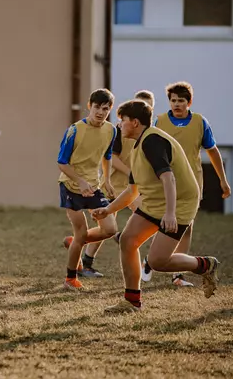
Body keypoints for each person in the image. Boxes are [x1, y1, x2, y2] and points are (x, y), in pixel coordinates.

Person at [92, 99, 220, 313]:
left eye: (121, 120)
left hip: (179, 204)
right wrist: (108, 210)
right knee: (128, 240)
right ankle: (132, 302)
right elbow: (132, 190)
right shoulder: (138, 146)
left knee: (158, 261)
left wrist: (170, 214)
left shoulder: (153, 140)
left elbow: (168, 178)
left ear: (134, 122)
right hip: (157, 201)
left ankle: (206, 265)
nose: (119, 124)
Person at [143, 81, 231, 287]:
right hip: (164, 182)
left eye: (181, 100)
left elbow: (213, 152)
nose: (176, 104)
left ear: (189, 102)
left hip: (191, 184)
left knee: (185, 229)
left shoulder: (200, 123)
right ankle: (151, 259)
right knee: (156, 222)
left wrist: (223, 180)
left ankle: (178, 275)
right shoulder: (160, 122)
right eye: (173, 100)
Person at [81, 90, 156, 277]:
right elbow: (111, 159)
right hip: (113, 185)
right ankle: (86, 262)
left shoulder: (150, 133)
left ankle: (148, 257)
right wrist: (132, 173)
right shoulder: (119, 130)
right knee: (105, 227)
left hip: (135, 188)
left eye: (147, 105)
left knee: (150, 218)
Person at [57, 89, 118, 291]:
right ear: (89, 106)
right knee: (81, 232)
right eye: (97, 107)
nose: (101, 112)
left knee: (110, 229)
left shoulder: (111, 130)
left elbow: (107, 156)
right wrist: (80, 181)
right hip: (71, 186)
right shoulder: (74, 130)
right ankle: (70, 279)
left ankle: (74, 242)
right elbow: (62, 163)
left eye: (106, 109)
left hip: (94, 186)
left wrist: (107, 180)